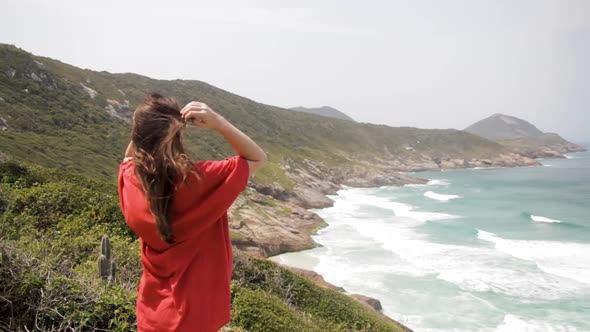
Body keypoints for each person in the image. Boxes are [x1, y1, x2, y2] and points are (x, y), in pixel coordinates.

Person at [117, 93, 267, 331]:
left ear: (137, 135)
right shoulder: (199, 179)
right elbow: (257, 157)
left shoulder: (130, 181)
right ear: (177, 133)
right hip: (196, 314)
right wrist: (219, 122)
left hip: (152, 313)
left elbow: (127, 157)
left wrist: (147, 128)